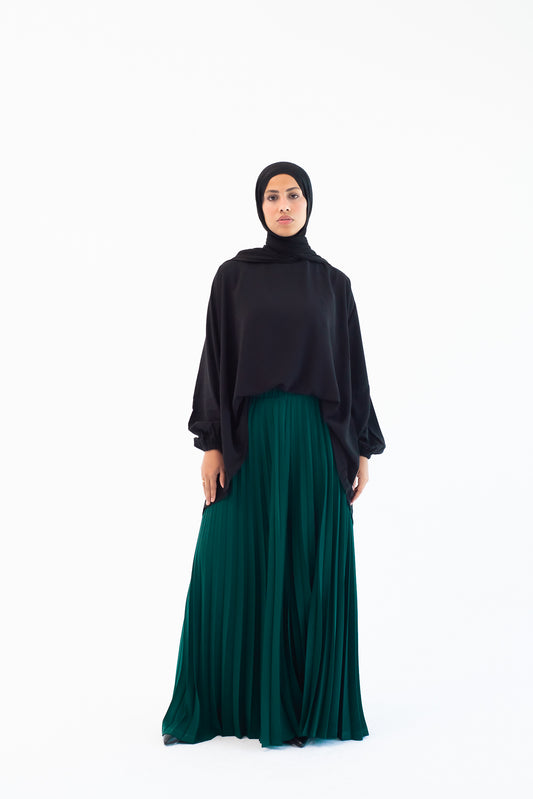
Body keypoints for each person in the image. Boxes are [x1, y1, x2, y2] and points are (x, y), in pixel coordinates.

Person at [161, 161, 386, 749]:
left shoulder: (333, 284)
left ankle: (309, 708)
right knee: (227, 558)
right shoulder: (233, 277)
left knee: (307, 565)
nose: (283, 205)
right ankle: (228, 701)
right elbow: (215, 361)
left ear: (309, 203)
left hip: (315, 441)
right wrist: (211, 442)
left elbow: (352, 369)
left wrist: (362, 447)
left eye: (293, 195)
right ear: (259, 206)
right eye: (271, 196)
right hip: (249, 439)